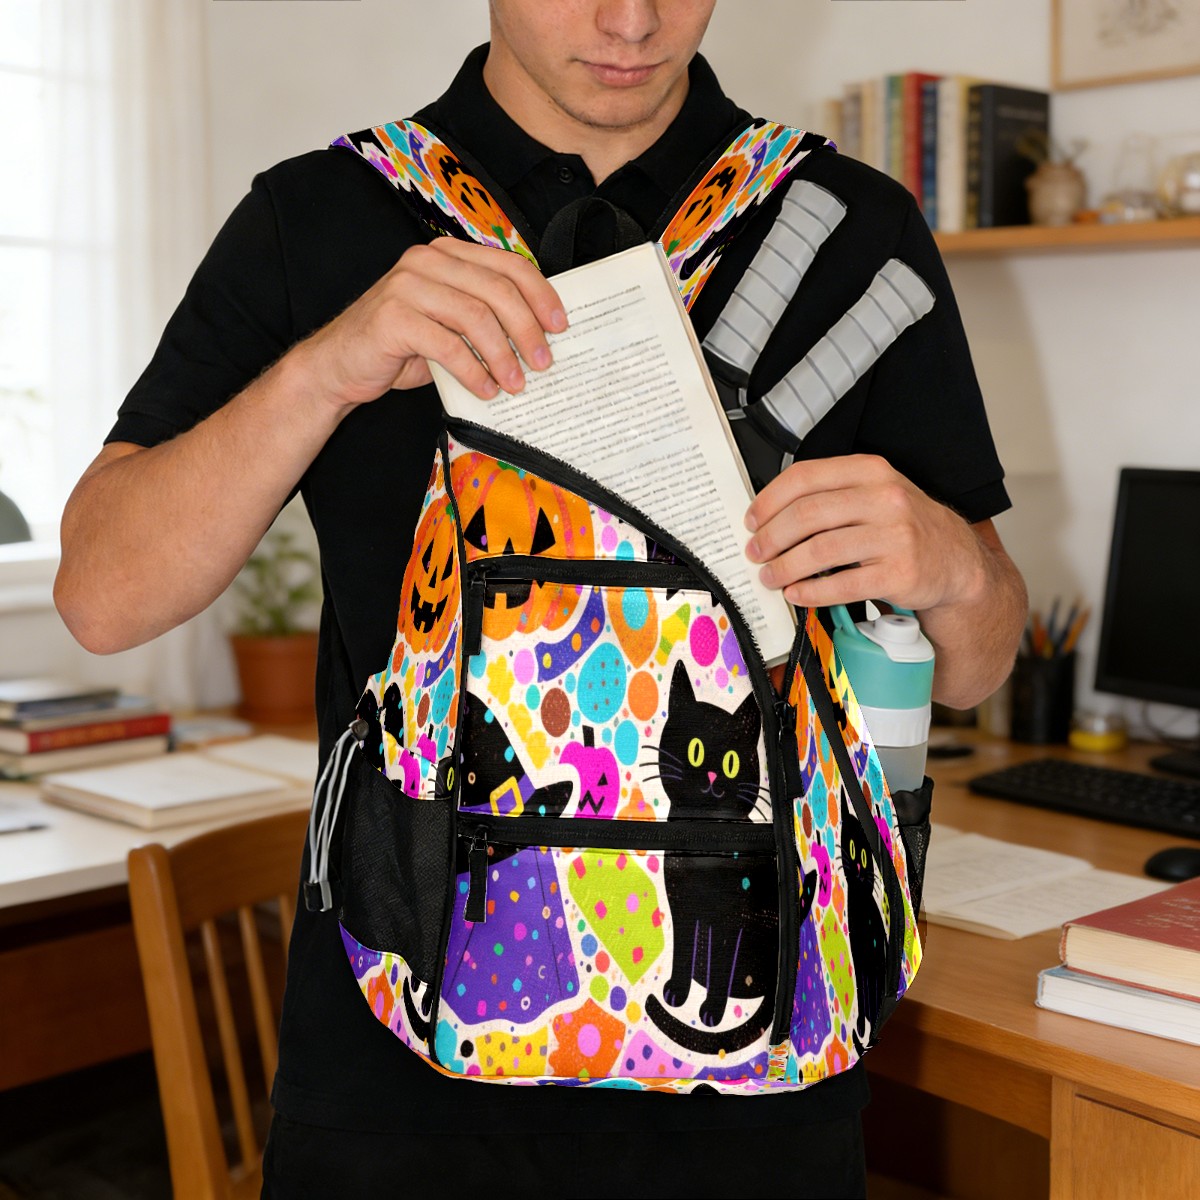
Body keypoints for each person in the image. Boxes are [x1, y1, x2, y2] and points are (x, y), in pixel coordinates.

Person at [55, 2, 1027, 1195]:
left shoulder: (848, 229)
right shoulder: (320, 218)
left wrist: (956, 565)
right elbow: (102, 597)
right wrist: (325, 370)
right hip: (397, 1096)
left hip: (768, 1080)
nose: (631, 19)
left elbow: (980, 662)